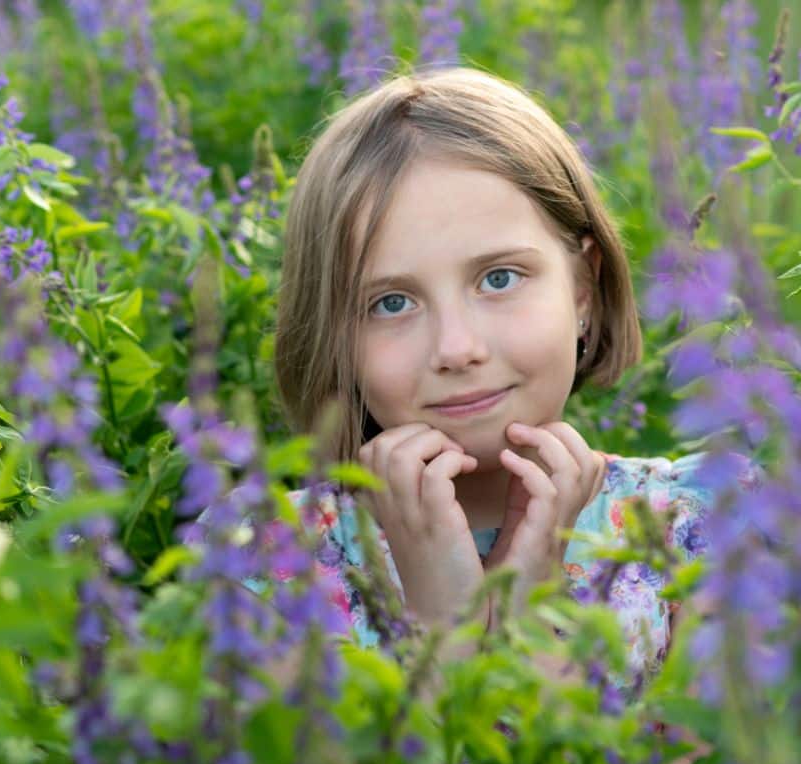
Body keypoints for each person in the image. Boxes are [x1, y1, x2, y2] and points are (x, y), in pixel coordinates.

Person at [249, 66, 726, 685]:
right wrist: (444, 629)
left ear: (583, 289)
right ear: (333, 334)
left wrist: (526, 614)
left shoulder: (699, 532)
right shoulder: (271, 559)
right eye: (390, 302)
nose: (457, 348)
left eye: (498, 278)